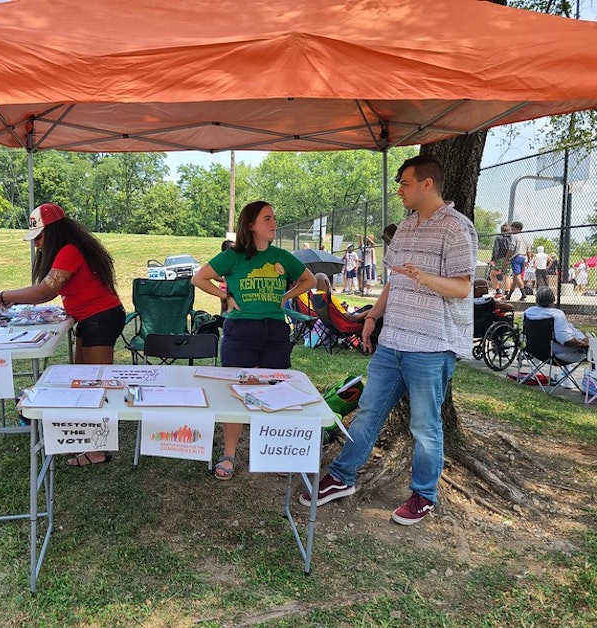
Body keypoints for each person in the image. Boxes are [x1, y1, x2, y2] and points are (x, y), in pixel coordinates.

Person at [300, 155, 477, 526]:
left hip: (432, 346)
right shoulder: (407, 227)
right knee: (367, 411)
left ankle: (424, 495)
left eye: (405, 183)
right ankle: (342, 477)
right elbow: (396, 282)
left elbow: (463, 287)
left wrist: (424, 277)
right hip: (392, 341)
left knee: (425, 426)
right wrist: (372, 318)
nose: (399, 191)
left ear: (427, 184)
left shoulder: (457, 228)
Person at [0, 203, 125, 466]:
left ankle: (100, 449)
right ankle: (88, 439)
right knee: (86, 381)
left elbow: (45, 291)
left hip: (100, 319)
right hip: (94, 319)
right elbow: (48, 290)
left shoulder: (69, 251)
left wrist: (4, 296)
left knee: (97, 385)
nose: (36, 243)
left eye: (39, 237)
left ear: (53, 232)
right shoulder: (71, 248)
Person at [192, 200, 316, 480]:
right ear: (250, 225)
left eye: (274, 218)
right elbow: (199, 278)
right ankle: (229, 454)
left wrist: (285, 297)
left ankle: (276, 452)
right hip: (240, 332)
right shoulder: (233, 256)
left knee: (276, 392)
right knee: (236, 391)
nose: (274, 223)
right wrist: (225, 296)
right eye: (267, 218)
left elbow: (309, 280)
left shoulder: (282, 257)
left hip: (275, 332)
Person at [523, 286, 588, 364]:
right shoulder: (556, 315)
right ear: (552, 300)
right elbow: (566, 341)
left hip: (534, 352)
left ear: (536, 300)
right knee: (589, 352)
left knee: (570, 327)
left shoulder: (528, 312)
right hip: (555, 354)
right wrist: (581, 344)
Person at [508, 221, 532, 300]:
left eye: (512, 229)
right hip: (523, 258)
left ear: (517, 229)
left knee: (517, 276)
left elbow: (511, 249)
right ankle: (509, 295)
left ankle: (523, 293)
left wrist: (507, 259)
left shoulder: (514, 237)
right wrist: (528, 260)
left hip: (516, 257)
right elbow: (529, 250)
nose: (511, 231)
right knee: (515, 278)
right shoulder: (525, 238)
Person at [488, 223, 513, 296]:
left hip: (500, 259)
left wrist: (493, 259)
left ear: (501, 230)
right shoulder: (512, 238)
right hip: (509, 259)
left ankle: (498, 290)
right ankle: (507, 292)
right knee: (506, 275)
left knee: (492, 274)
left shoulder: (499, 237)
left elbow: (496, 249)